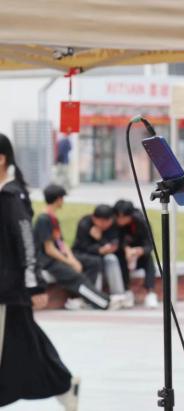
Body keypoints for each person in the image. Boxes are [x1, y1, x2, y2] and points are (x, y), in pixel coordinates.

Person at [0, 134, 80, 410]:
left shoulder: (11, 196)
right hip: (8, 291)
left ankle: (66, 387)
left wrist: (34, 286)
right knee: (28, 345)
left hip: (8, 290)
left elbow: (27, 242)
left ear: (1, 159)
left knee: (25, 345)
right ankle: (66, 387)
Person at [33, 184, 113, 310]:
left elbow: (61, 243)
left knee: (93, 262)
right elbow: (49, 249)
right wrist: (70, 262)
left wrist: (72, 259)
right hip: (48, 261)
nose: (63, 201)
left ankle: (84, 299)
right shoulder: (43, 219)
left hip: (59, 256)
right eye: (62, 198)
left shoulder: (53, 218)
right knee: (76, 277)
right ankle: (103, 302)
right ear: (58, 199)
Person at [71, 205, 132, 309]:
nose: (105, 225)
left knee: (112, 258)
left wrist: (100, 239)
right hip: (84, 254)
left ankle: (119, 295)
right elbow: (82, 246)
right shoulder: (85, 224)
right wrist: (98, 250)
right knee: (96, 261)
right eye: (102, 221)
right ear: (94, 218)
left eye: (108, 221)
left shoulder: (113, 224)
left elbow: (114, 243)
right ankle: (94, 296)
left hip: (104, 254)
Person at [113, 200, 158, 308]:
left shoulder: (141, 222)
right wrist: (125, 249)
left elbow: (150, 245)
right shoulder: (113, 222)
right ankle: (127, 291)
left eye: (123, 217)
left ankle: (150, 292)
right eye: (118, 217)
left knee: (149, 259)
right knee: (119, 259)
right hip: (121, 254)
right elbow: (114, 240)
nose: (120, 220)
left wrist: (139, 251)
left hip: (139, 254)